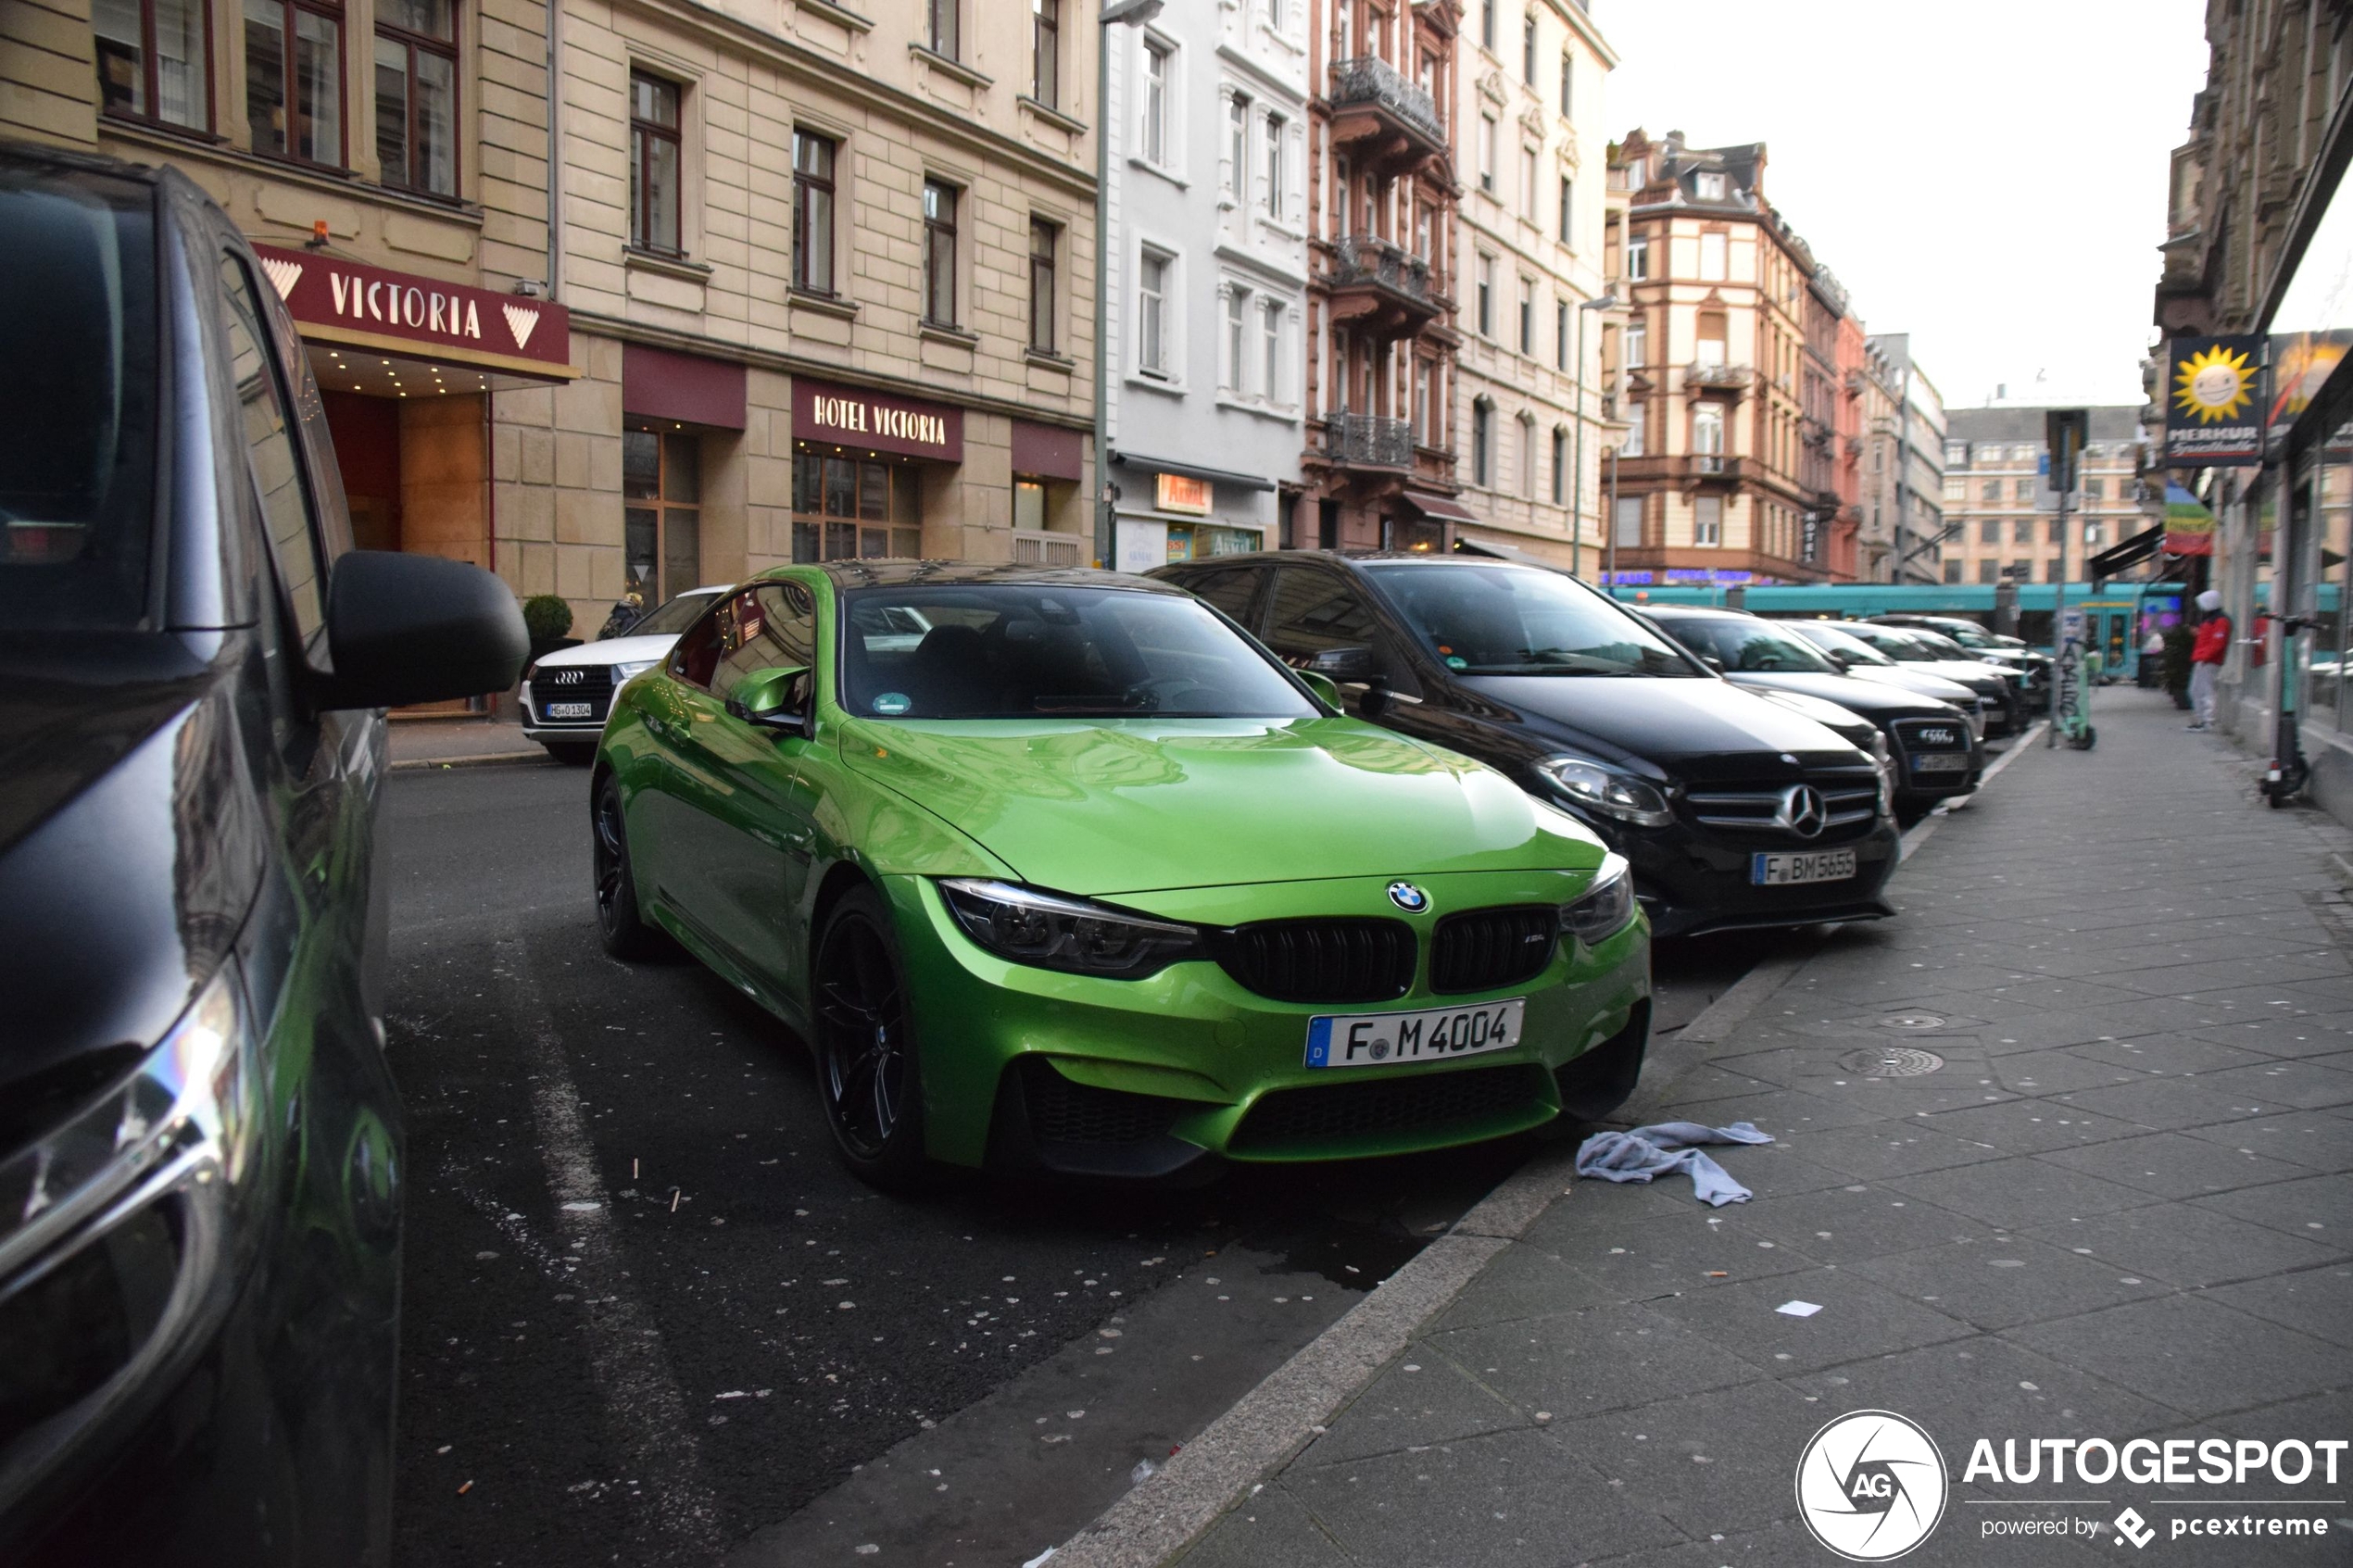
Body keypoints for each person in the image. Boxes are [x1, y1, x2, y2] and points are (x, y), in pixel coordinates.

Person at [2187, 588, 2230, 731]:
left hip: (2208, 661)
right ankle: (2202, 719)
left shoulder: (2219, 621)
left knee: (2204, 691)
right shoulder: (2215, 620)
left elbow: (2217, 643)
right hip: (2205, 659)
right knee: (2197, 690)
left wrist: (2205, 657)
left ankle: (2206, 721)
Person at [2140, 625, 2166, 689]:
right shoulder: (2157, 637)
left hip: (2153, 656)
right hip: (2154, 655)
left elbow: (2151, 647)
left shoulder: (2155, 638)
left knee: (2147, 664)